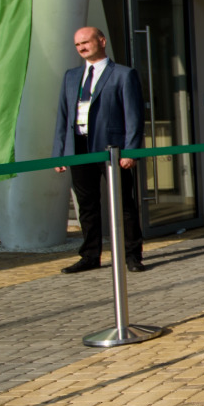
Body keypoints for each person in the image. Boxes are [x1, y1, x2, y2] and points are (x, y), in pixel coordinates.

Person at [51, 26, 146, 274]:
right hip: (79, 147)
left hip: (112, 150)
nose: (82, 47)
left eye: (86, 42)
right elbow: (62, 117)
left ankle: (133, 256)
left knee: (123, 204)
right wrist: (60, 153)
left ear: (101, 41)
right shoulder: (71, 76)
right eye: (77, 44)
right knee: (87, 205)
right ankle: (90, 256)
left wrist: (131, 151)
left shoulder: (123, 75)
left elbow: (134, 117)